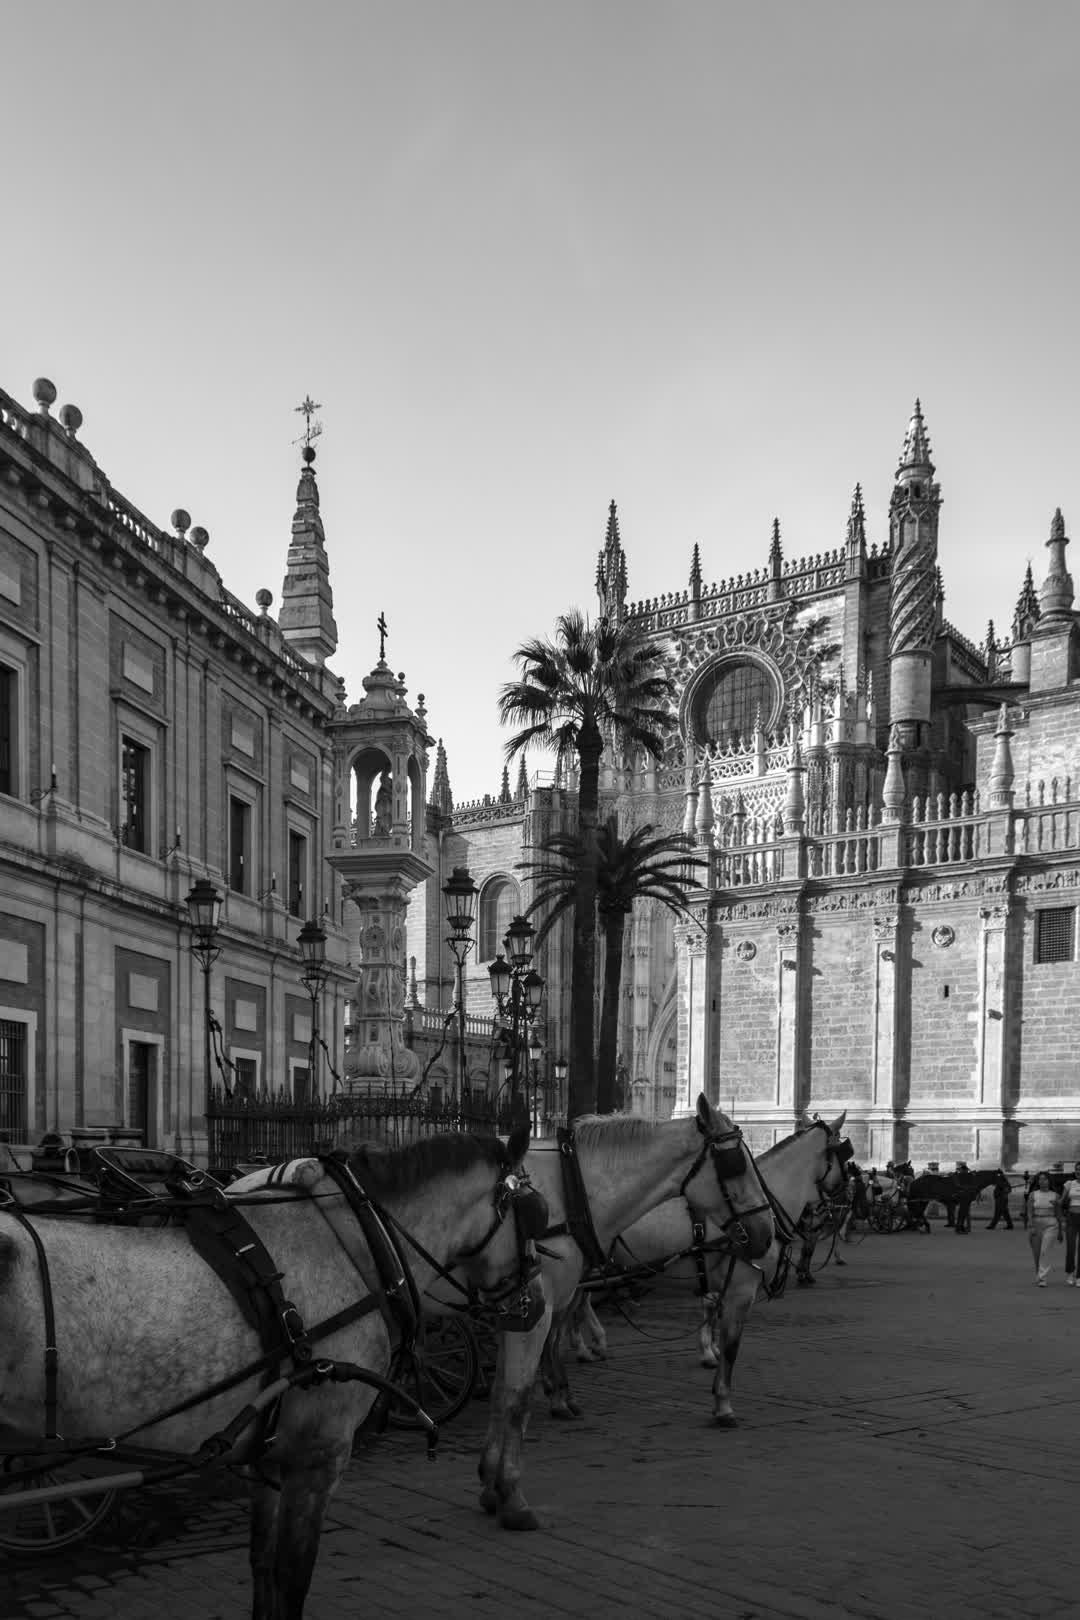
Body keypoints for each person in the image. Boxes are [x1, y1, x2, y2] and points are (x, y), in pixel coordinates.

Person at [1027, 1172, 1063, 1286]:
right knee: (1037, 1253)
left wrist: (1061, 1231)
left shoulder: (1055, 1195)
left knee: (1045, 1251)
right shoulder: (1033, 1195)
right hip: (1036, 1223)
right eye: (1040, 1179)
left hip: (1051, 1224)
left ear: (1049, 1181)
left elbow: (1058, 1214)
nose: (1042, 1181)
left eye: (1045, 1179)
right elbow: (1029, 1211)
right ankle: (1039, 1274)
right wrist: (1031, 1224)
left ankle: (1042, 1278)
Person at [1061, 1160, 1080, 1284]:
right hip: (1071, 1217)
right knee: (1071, 1247)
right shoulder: (1069, 1184)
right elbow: (1062, 1201)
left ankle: (1079, 1277)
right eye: (1077, 1169)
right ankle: (1070, 1273)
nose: (1079, 1172)